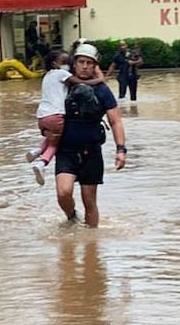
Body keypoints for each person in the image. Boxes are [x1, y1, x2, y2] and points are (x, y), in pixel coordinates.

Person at [53, 43, 127, 228]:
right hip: (66, 150)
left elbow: (115, 121)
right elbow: (47, 110)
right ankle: (71, 216)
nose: (85, 66)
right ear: (74, 63)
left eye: (89, 63)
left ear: (95, 66)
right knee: (63, 192)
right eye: (81, 62)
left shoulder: (102, 90)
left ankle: (92, 248)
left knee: (89, 201)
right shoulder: (62, 86)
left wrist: (121, 150)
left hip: (91, 152)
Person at [26, 49, 105, 186]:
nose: (67, 65)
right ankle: (42, 162)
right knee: (57, 142)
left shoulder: (46, 76)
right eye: (64, 62)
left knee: (51, 137)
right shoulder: (62, 74)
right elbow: (81, 83)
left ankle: (36, 150)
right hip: (56, 116)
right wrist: (99, 79)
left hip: (42, 117)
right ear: (55, 64)